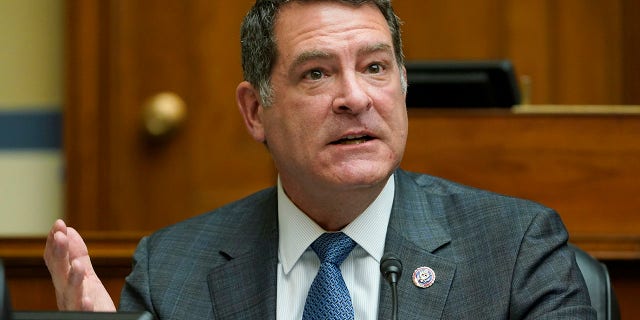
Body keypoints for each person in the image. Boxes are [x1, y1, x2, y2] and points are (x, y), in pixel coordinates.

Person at [44, 0, 596, 319]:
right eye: (317, 73)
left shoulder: (514, 249)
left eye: (376, 67)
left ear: (403, 85)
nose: (355, 97)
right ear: (255, 110)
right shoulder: (172, 270)